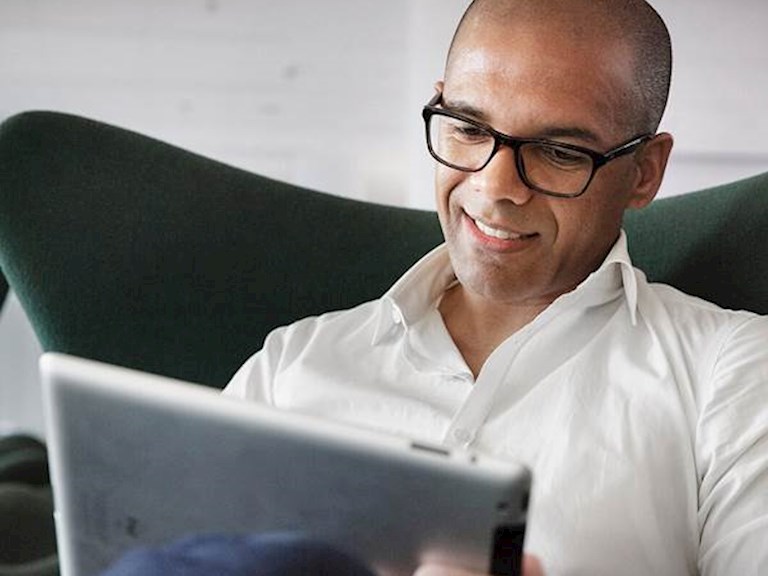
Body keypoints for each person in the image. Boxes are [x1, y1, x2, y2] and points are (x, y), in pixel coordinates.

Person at [223, 0, 768, 575]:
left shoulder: (731, 375)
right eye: (468, 127)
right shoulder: (291, 366)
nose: (495, 186)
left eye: (559, 151)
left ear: (644, 172)